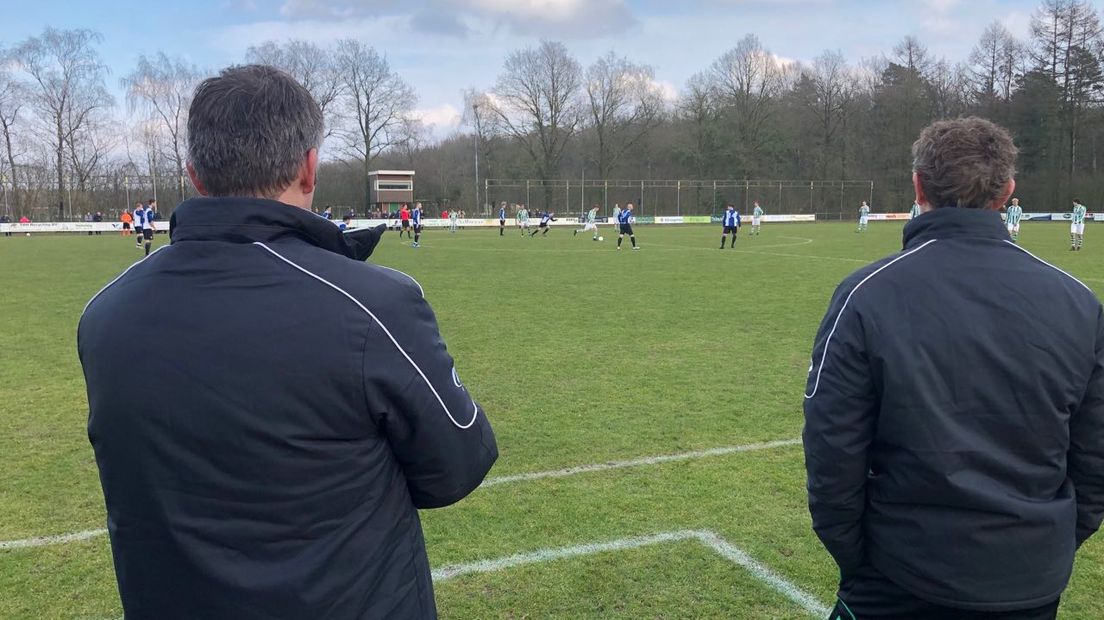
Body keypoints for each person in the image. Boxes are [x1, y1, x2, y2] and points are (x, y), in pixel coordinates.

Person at [78, 65, 497, 620]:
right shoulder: (375, 303)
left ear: (195, 175)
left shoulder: (105, 313)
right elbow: (457, 465)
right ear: (308, 166)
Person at [805, 117, 1104, 620]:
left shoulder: (867, 293)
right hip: (1026, 581)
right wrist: (1048, 543)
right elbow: (1095, 457)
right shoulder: (1079, 301)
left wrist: (857, 558)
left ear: (918, 185)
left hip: (902, 577)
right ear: (1008, 192)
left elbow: (832, 450)